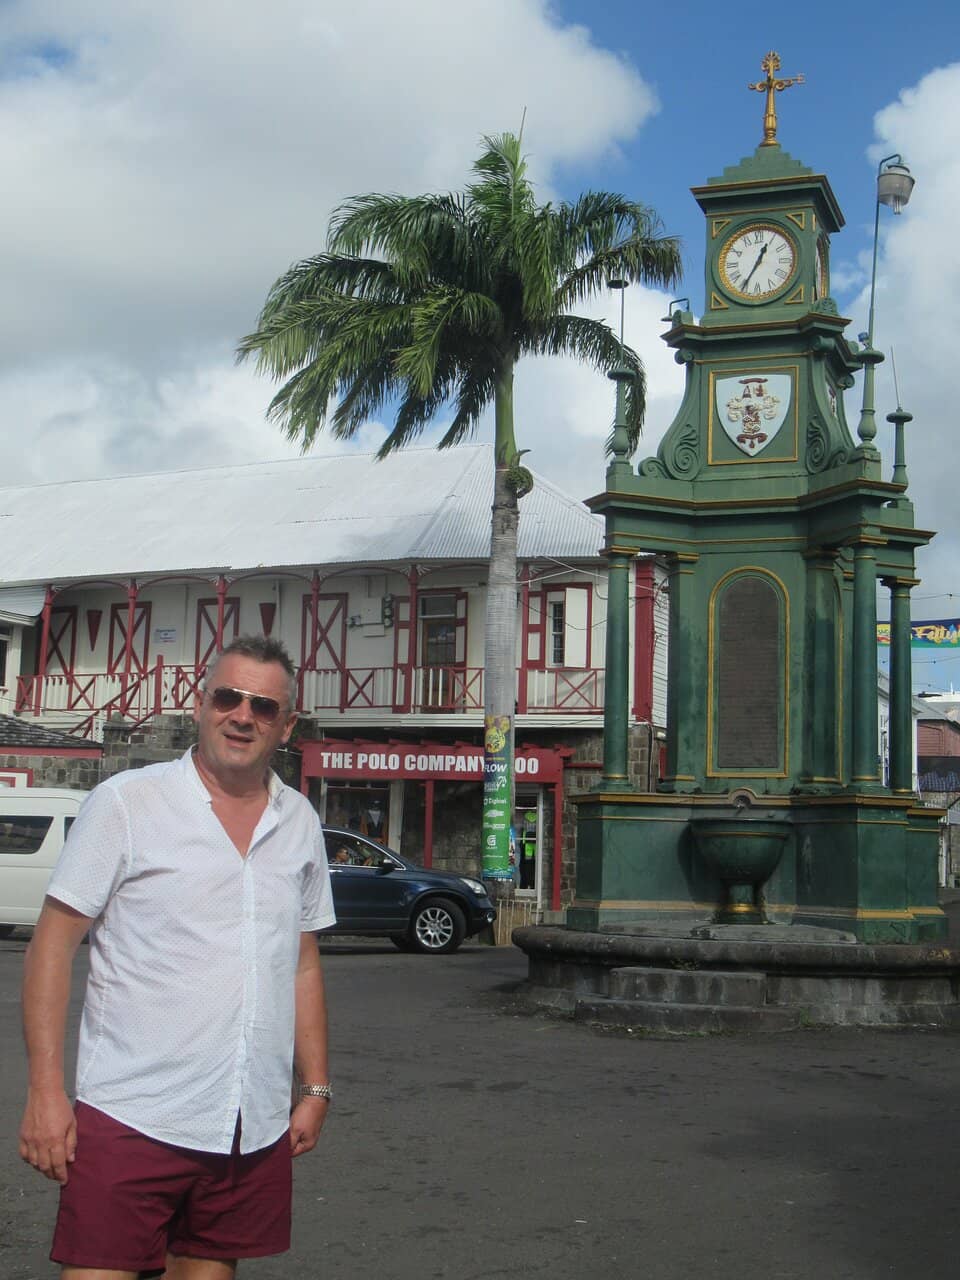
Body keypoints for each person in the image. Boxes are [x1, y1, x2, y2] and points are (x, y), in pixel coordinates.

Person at [18, 635, 336, 1280]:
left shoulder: (298, 821)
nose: (242, 716)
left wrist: (317, 1087)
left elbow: (301, 962)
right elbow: (52, 945)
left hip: (248, 1121)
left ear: (287, 726)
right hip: (133, 1111)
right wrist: (46, 1093)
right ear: (200, 704)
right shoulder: (127, 804)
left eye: (263, 707)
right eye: (228, 697)